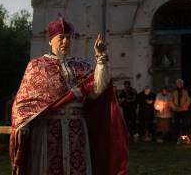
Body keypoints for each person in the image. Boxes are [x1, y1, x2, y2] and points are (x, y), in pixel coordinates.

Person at [10, 17, 128, 175]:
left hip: (77, 127)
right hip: (47, 129)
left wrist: (101, 59)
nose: (66, 41)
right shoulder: (37, 66)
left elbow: (97, 90)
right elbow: (24, 101)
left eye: (68, 38)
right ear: (51, 41)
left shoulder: (81, 65)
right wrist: (22, 124)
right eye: (61, 38)